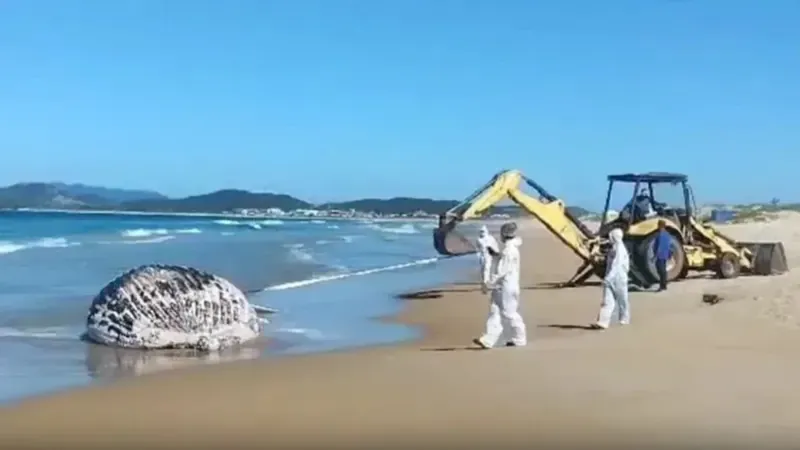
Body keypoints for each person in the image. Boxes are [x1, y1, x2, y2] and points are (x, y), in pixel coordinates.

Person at [473, 222, 527, 349]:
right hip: (503, 286)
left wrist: (488, 284)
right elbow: (504, 261)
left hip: (507, 286)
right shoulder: (510, 249)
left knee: (509, 313)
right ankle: (488, 339)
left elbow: (501, 271)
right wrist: (495, 255)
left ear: (504, 234)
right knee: (494, 311)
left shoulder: (509, 250)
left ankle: (519, 338)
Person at [592, 227, 630, 329]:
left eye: (611, 236)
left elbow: (617, 265)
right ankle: (602, 322)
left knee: (622, 300)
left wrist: (609, 278)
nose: (610, 238)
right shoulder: (613, 248)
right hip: (610, 277)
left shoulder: (620, 250)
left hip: (619, 278)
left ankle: (624, 318)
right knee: (607, 301)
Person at [475, 225, 500, 293]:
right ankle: (484, 282)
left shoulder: (490, 238)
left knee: (487, 268)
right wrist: (478, 255)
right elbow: (477, 248)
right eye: (481, 231)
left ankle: (486, 283)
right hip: (482, 256)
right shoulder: (478, 239)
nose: (482, 233)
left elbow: (495, 245)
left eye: (483, 231)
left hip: (489, 255)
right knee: (483, 270)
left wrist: (496, 252)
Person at [653, 219, 672, 291]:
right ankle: (664, 285)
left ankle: (662, 285)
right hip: (665, 254)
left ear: (660, 225)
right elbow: (669, 245)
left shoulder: (660, 234)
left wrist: (656, 254)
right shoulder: (667, 234)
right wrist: (669, 254)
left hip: (660, 254)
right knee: (663, 270)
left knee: (661, 270)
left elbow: (659, 245)